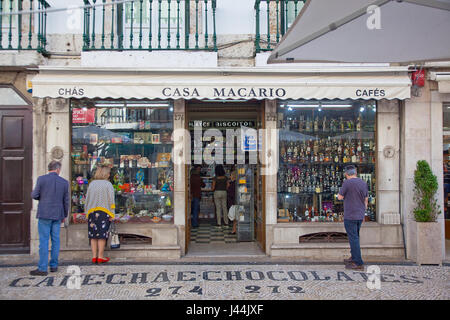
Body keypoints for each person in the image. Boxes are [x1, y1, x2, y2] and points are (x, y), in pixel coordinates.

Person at [30, 161, 69, 276]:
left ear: (49, 169)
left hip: (44, 213)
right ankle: (54, 265)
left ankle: (42, 268)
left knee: (44, 241)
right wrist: (65, 215)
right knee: (56, 240)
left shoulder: (41, 179)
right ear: (58, 169)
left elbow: (34, 195)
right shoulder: (64, 182)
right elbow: (66, 201)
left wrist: (43, 197)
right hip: (57, 214)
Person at [337, 165, 368, 271]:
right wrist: (363, 213)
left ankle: (358, 263)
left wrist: (340, 195)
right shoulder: (363, 183)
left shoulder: (347, 183)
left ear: (346, 174)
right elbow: (366, 200)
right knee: (355, 237)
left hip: (350, 215)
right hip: (359, 215)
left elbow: (340, 197)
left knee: (353, 238)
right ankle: (353, 257)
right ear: (356, 173)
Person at [85, 165, 115, 264]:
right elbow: (111, 200)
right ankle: (100, 256)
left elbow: (87, 199)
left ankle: (94, 256)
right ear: (106, 174)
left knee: (93, 235)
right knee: (102, 235)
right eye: (109, 173)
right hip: (104, 212)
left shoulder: (92, 184)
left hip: (92, 212)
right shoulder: (108, 184)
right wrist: (112, 213)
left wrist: (86, 212)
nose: (110, 175)